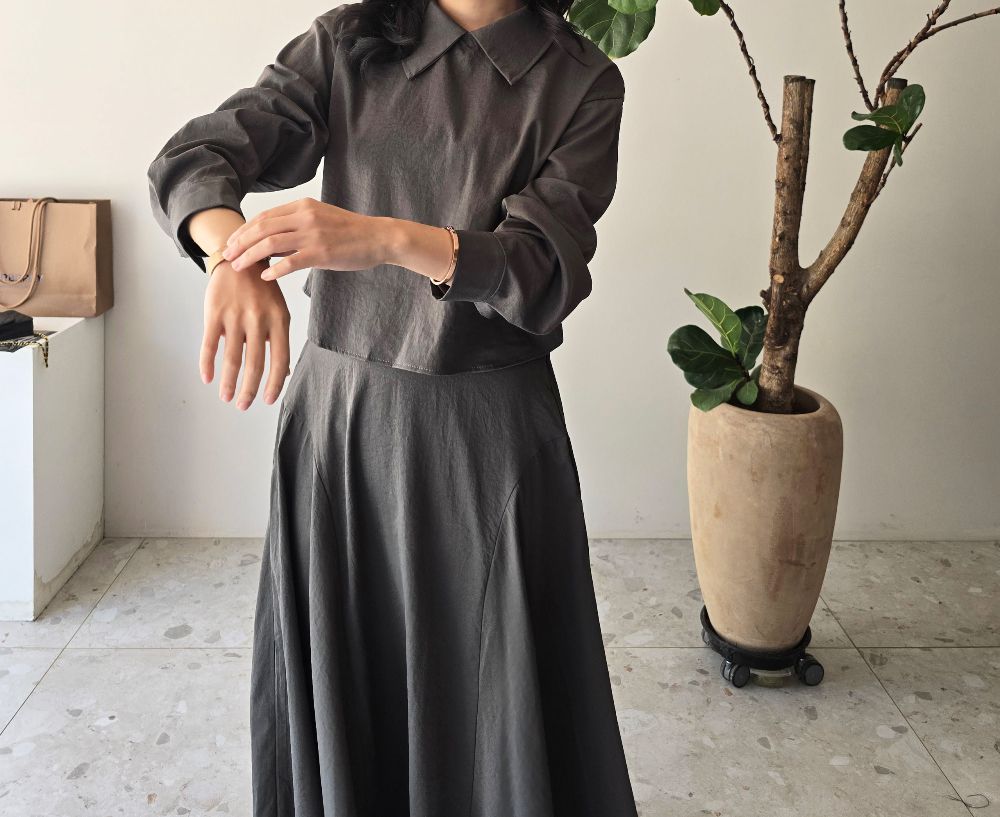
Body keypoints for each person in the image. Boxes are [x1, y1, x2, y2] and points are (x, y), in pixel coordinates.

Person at [147, 0, 636, 813]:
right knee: (348, 686)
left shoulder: (580, 80)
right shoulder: (351, 42)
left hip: (487, 444)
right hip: (343, 426)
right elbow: (197, 156)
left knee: (494, 703)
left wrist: (383, 237)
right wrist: (232, 257)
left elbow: (542, 272)